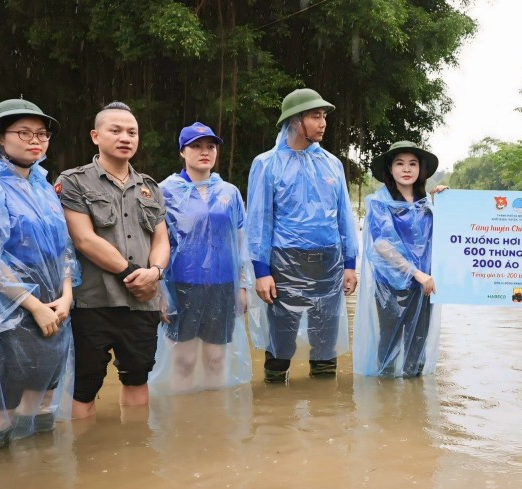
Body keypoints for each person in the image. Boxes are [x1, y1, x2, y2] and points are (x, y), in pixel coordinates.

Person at [0, 99, 79, 449]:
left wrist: (66, 296)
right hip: (13, 315)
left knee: (44, 398)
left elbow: (64, 250)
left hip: (56, 309)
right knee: (3, 401)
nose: (36, 140)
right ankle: (6, 486)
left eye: (42, 133)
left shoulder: (44, 188)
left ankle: (42, 482)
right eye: (24, 132)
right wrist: (33, 305)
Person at [59, 102, 169, 418]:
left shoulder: (149, 187)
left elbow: (161, 239)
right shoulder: (75, 181)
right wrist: (137, 275)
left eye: (132, 132)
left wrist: (157, 272)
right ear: (96, 135)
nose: (125, 137)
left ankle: (135, 453)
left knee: (137, 377)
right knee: (85, 385)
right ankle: (87, 457)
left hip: (142, 304)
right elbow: (83, 239)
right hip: (93, 303)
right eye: (116, 130)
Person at [246, 89, 358, 383]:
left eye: (323, 117)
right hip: (285, 263)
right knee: (281, 340)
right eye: (314, 116)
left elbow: (345, 215)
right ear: (295, 120)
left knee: (325, 342)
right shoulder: (267, 164)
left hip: (328, 263)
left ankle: (324, 411)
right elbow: (259, 221)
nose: (322, 123)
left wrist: (350, 264)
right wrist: (261, 271)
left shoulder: (332, 164)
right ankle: (274, 412)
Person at [150, 123, 252, 394]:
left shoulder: (229, 192)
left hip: (222, 285)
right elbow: (156, 242)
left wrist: (242, 287)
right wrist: (160, 292)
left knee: (216, 358)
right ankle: (183, 422)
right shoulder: (165, 191)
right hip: (182, 285)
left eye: (210, 146)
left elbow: (241, 241)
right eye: (196, 146)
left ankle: (212, 423)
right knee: (184, 359)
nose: (204, 152)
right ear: (182, 151)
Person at [353, 141, 447, 378]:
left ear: (420, 170)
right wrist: (415, 272)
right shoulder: (379, 203)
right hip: (392, 286)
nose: (407, 169)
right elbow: (383, 245)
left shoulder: (429, 204)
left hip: (425, 286)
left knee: (417, 345)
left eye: (413, 164)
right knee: (389, 346)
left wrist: (446, 203)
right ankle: (387, 404)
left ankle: (412, 406)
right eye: (400, 163)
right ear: (390, 169)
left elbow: (454, 236)